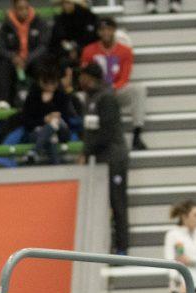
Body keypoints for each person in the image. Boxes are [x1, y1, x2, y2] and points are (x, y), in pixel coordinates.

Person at [77, 63, 130, 255]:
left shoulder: (106, 98)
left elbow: (105, 131)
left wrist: (86, 151)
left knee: (117, 202)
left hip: (114, 158)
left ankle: (122, 247)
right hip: (101, 159)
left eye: (82, 76)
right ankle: (108, 246)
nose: (79, 80)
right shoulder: (91, 99)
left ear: (90, 77)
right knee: (104, 204)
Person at [80, 17, 147, 150]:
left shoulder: (125, 51)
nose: (105, 32)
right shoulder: (88, 51)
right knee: (80, 97)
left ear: (114, 31)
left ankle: (137, 134)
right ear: (98, 32)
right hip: (96, 93)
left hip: (116, 90)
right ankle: (87, 136)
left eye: (108, 29)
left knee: (139, 89)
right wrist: (99, 90)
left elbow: (125, 76)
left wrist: (112, 88)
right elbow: (85, 77)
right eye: (102, 29)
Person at [0, 0, 51, 110]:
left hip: (32, 60)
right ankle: (3, 101)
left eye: (26, 8)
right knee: (2, 66)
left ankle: (46, 97)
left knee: (43, 65)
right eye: (20, 8)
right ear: (14, 9)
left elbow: (43, 46)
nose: (24, 11)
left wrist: (27, 59)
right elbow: (0, 48)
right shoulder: (6, 25)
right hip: (13, 61)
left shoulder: (39, 22)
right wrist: (13, 57)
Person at [21, 64, 76, 165]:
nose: (50, 86)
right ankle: (56, 168)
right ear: (40, 81)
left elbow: (67, 120)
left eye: (53, 83)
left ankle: (34, 151)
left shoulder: (62, 95)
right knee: (52, 137)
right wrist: (44, 120)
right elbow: (26, 121)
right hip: (38, 132)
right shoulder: (33, 96)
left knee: (56, 121)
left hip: (62, 132)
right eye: (46, 83)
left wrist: (51, 108)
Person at [47, 0, 98, 74]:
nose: (65, 6)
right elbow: (56, 40)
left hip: (86, 52)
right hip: (64, 54)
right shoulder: (60, 19)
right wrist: (69, 49)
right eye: (63, 3)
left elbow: (91, 39)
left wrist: (77, 49)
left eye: (68, 3)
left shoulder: (90, 18)